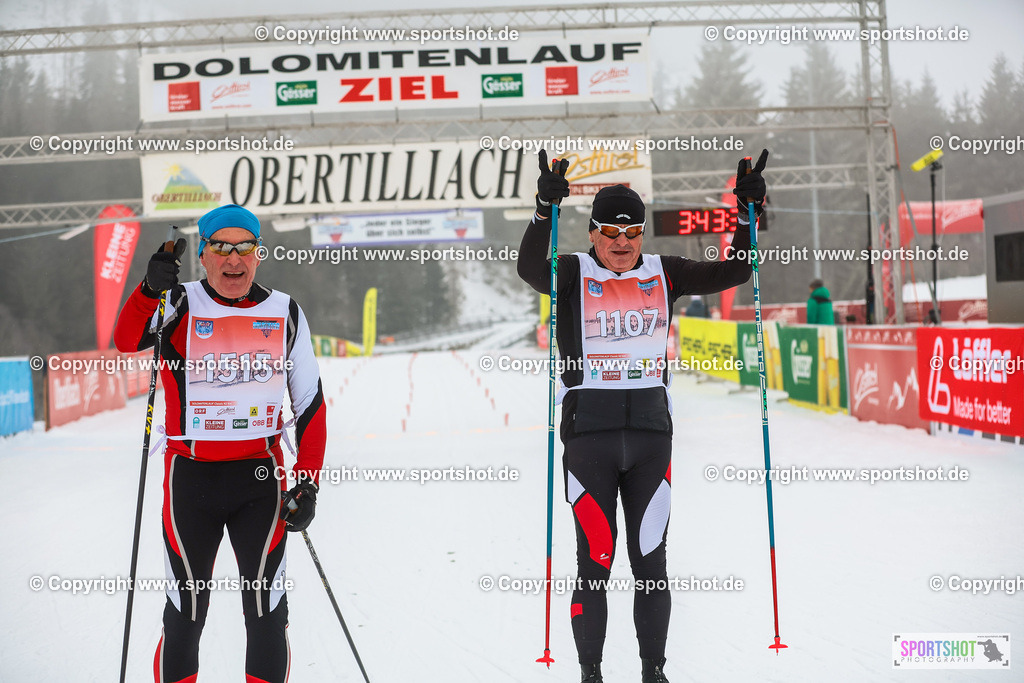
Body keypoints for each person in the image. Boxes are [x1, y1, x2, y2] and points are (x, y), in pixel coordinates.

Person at [518, 150, 768, 683]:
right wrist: (543, 210)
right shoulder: (571, 272)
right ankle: (591, 673)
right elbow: (528, 269)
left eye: (632, 232)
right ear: (592, 234)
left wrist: (745, 216)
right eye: (610, 231)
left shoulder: (665, 273)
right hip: (589, 440)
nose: (622, 242)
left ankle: (653, 671)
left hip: (652, 439)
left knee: (651, 562)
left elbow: (737, 269)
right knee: (596, 563)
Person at [113, 204, 327, 683]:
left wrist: (307, 483)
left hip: (260, 479)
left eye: (245, 247)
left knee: (266, 611)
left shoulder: (285, 311)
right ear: (203, 254)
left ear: (258, 253)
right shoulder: (177, 301)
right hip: (189, 477)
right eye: (221, 248)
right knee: (185, 613)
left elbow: (310, 403)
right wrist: (149, 289)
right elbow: (126, 340)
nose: (235, 259)